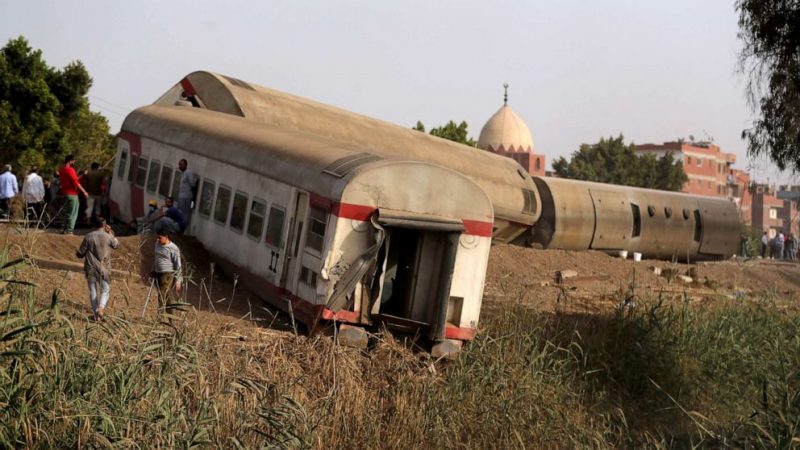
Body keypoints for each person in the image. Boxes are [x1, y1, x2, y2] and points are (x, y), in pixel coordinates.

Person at [75, 220, 119, 321]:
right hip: (104, 268)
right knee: (105, 289)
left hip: (90, 268)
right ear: (104, 226)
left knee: (93, 290)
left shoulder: (88, 236)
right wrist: (111, 232)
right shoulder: (108, 236)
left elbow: (81, 253)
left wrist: (77, 253)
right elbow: (116, 245)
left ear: (94, 225)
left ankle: (96, 315)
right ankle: (101, 308)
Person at [152, 231, 182, 313]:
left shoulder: (173, 248)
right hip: (158, 272)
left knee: (161, 295)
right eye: (157, 237)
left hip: (168, 274)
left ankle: (159, 318)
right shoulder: (157, 243)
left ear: (166, 237)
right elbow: (156, 257)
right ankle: (170, 317)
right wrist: (153, 269)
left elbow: (178, 264)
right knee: (167, 295)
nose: (158, 239)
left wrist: (178, 281)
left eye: (160, 238)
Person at [59, 155, 88, 234]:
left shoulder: (62, 169)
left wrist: (82, 175)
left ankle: (63, 228)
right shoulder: (70, 169)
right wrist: (84, 191)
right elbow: (75, 182)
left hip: (65, 193)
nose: (74, 162)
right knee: (73, 213)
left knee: (66, 212)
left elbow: (74, 179)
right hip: (72, 194)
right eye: (74, 160)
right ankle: (69, 230)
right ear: (70, 161)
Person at [176, 159, 198, 231]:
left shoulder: (188, 172)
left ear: (186, 165)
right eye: (179, 164)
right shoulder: (183, 173)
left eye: (181, 164)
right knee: (180, 213)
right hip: (182, 196)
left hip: (186, 196)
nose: (180, 166)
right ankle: (180, 228)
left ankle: (184, 230)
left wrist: (195, 180)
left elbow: (193, 183)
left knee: (185, 214)